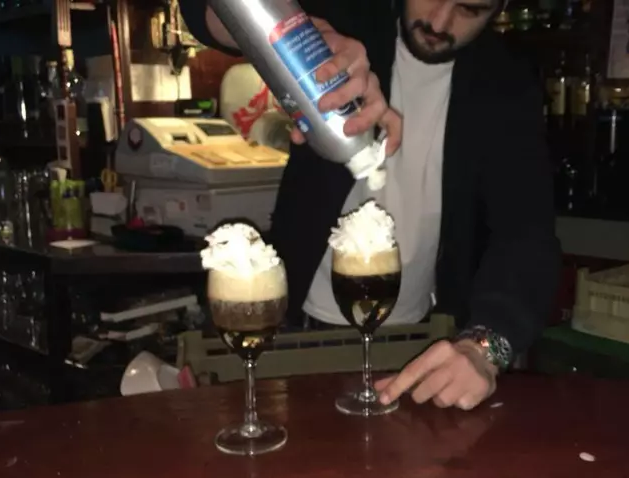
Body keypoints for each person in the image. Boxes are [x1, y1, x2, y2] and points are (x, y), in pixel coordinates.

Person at [181, 0, 561, 410]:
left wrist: (484, 347)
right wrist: (299, 33)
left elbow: (527, 234)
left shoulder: (506, 81)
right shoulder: (350, 16)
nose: (439, 22)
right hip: (291, 331)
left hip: (422, 344)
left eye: (469, 9)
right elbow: (205, 11)